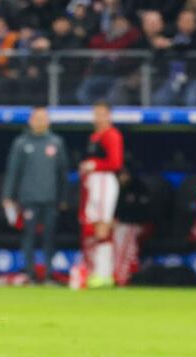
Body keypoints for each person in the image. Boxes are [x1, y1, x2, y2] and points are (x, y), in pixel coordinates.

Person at [2, 106, 69, 284]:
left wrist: (63, 198)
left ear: (48, 121)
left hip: (50, 199)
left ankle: (48, 274)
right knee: (29, 237)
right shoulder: (21, 143)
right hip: (28, 199)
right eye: (37, 118)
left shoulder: (56, 142)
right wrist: (8, 196)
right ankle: (30, 274)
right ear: (31, 120)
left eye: (43, 118)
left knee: (49, 237)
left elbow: (62, 173)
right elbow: (13, 171)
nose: (40, 121)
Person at [79, 101, 124, 289]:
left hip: (105, 181)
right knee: (93, 226)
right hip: (94, 183)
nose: (98, 118)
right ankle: (97, 271)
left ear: (109, 116)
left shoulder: (112, 135)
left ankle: (105, 274)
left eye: (102, 114)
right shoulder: (95, 136)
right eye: (96, 114)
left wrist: (94, 164)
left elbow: (115, 163)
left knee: (103, 227)